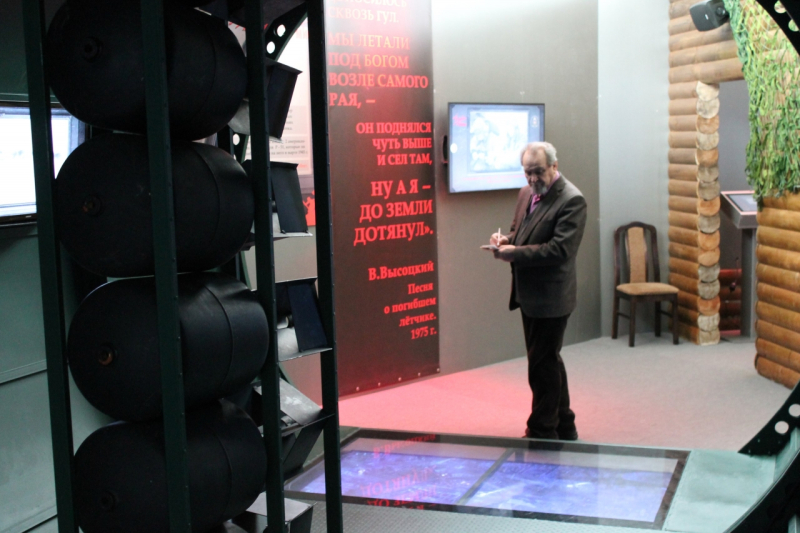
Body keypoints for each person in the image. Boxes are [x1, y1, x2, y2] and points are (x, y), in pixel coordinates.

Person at [489, 141, 587, 440]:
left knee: (541, 365)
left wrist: (515, 253)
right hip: (529, 294)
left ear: (554, 166)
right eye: (527, 172)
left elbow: (560, 250)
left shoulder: (572, 200)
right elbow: (521, 232)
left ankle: (542, 431)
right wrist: (505, 240)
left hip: (552, 298)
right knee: (547, 360)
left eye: (538, 172)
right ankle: (565, 424)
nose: (532, 179)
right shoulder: (525, 193)